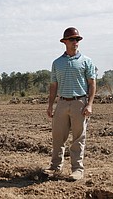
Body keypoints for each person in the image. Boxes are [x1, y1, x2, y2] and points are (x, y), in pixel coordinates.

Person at [45, 27, 96, 181]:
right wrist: (50, 105)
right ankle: (55, 167)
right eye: (72, 39)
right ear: (65, 42)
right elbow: (53, 86)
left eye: (77, 40)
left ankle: (77, 170)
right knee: (58, 137)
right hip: (62, 103)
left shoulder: (86, 61)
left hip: (79, 103)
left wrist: (90, 104)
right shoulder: (57, 63)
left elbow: (92, 84)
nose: (76, 42)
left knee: (78, 138)